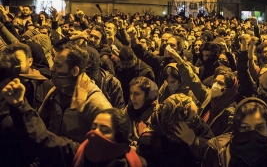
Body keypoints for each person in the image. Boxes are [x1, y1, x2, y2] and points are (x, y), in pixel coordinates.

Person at [2, 78, 146, 167]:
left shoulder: (136, 164)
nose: (95, 133)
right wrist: (21, 105)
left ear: (119, 138)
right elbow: (42, 138)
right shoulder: (78, 152)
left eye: (104, 129)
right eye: (94, 126)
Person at [38, 42, 112, 142]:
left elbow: (105, 145)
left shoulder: (95, 103)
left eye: (58, 65)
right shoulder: (57, 92)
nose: (52, 69)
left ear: (74, 71)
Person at [202, 97, 267, 167]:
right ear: (237, 128)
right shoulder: (217, 151)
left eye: (259, 128)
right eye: (245, 128)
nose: (253, 135)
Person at [137, 93, 214, 167]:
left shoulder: (196, 124)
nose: (197, 119)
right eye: (193, 117)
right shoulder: (152, 140)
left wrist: (194, 141)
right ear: (177, 123)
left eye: (196, 114)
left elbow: (213, 151)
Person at [201, 71, 238, 136]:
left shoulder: (231, 116)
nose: (215, 85)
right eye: (215, 81)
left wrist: (194, 140)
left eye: (220, 83)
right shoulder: (211, 100)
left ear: (229, 90)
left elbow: (219, 143)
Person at [125, 76, 158, 147]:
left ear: (148, 96)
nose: (132, 98)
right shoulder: (129, 110)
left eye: (137, 94)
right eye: (131, 93)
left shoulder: (156, 115)